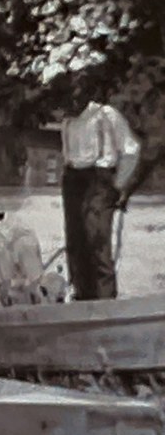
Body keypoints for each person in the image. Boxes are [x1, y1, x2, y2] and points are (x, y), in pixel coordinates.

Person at [60, 85, 142, 301]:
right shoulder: (67, 121)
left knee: (96, 240)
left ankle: (105, 300)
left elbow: (131, 149)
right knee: (75, 241)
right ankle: (82, 296)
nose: (69, 103)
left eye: (73, 96)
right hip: (73, 180)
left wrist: (119, 185)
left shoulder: (106, 115)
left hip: (100, 181)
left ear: (84, 94)